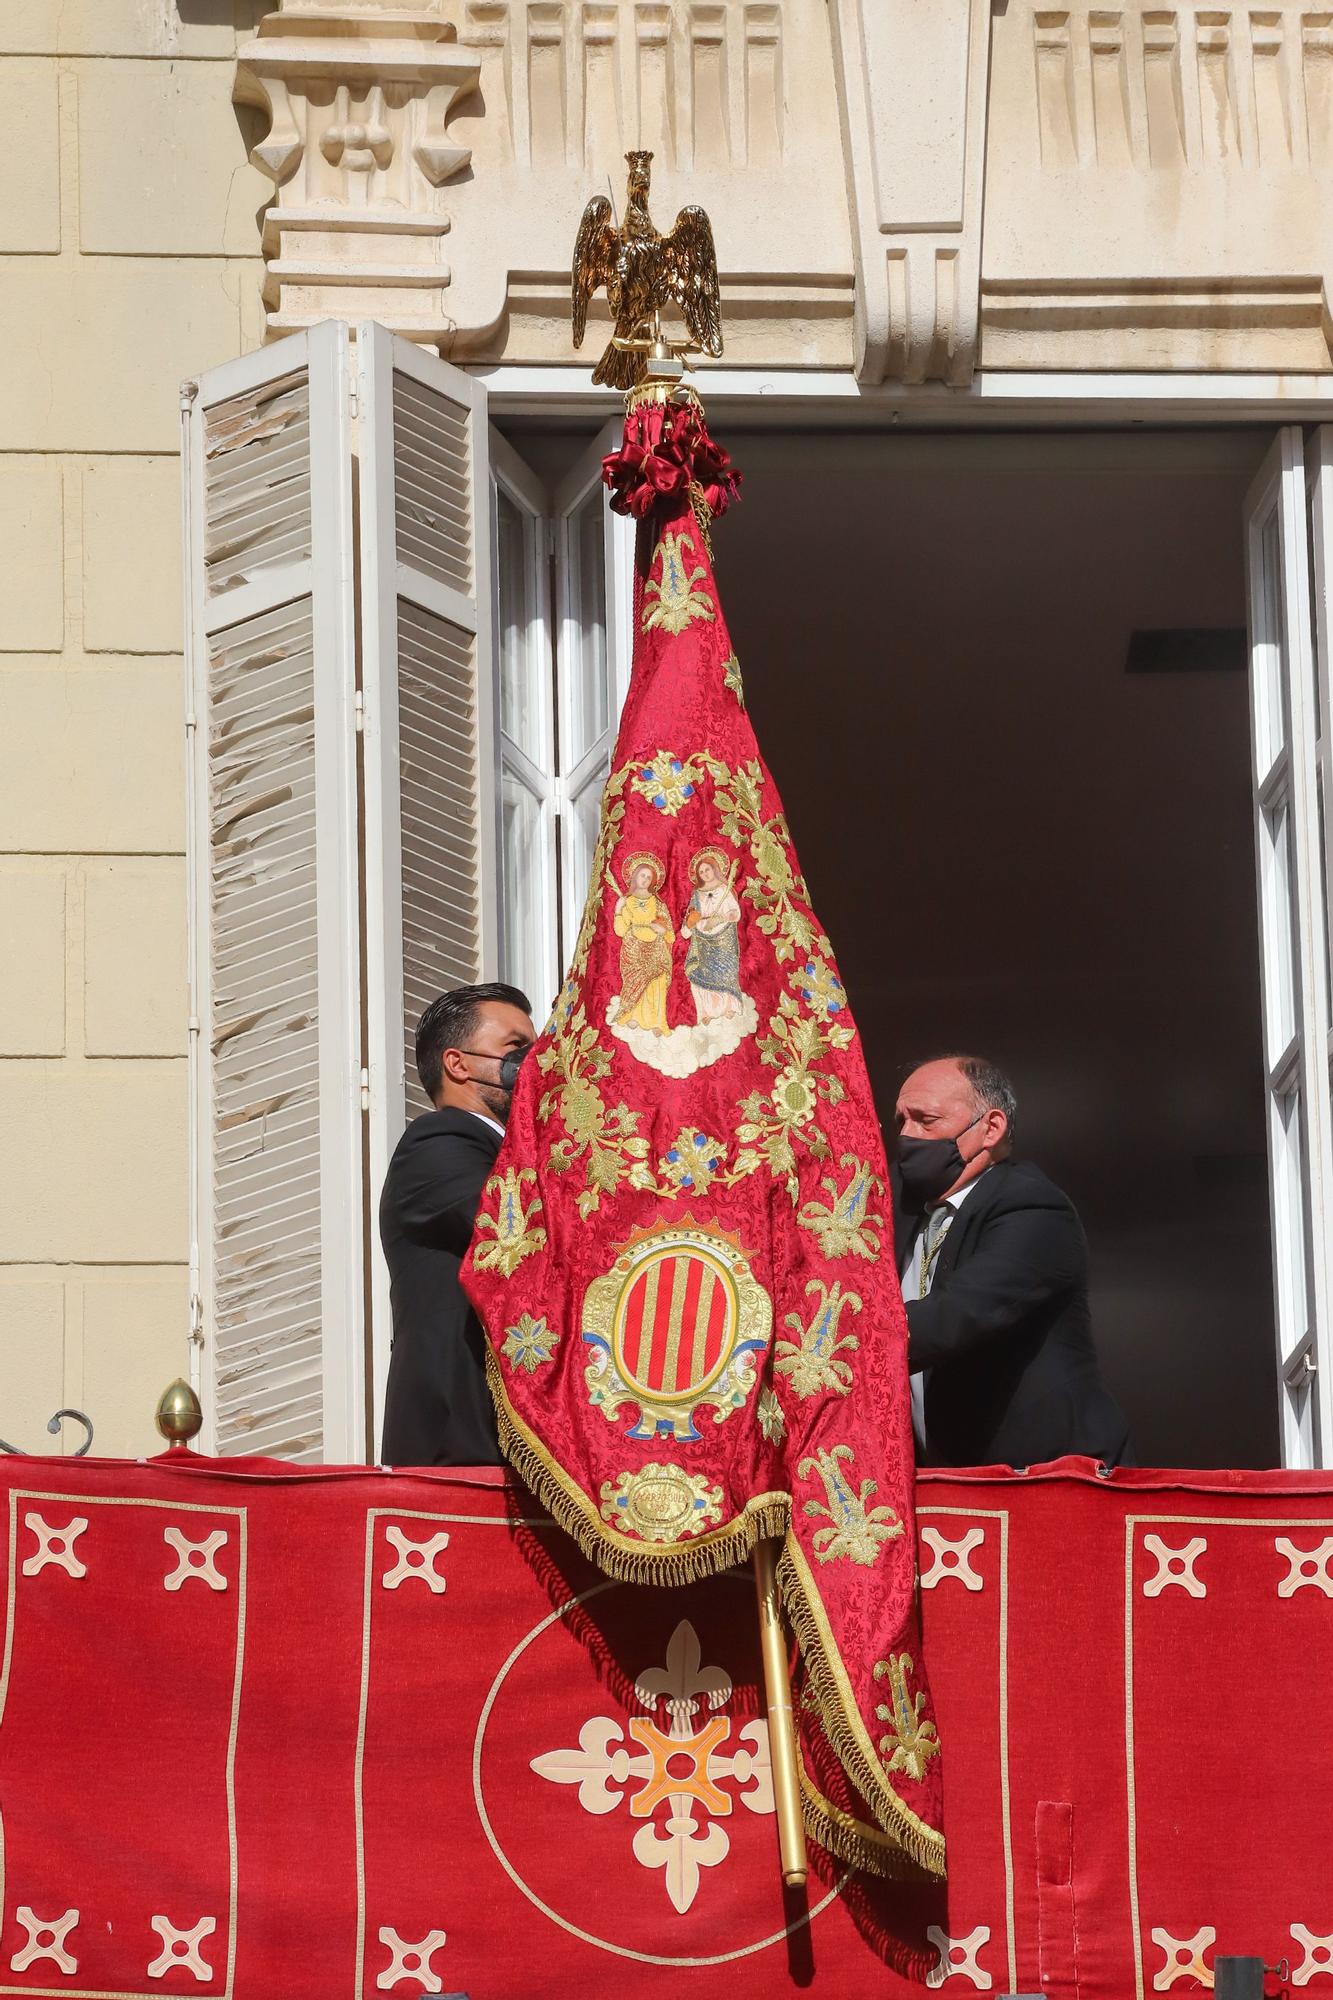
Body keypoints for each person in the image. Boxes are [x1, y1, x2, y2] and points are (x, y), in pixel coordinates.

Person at [892, 1054, 1132, 1469]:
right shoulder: (897, 1212)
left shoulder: (1033, 1208)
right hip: (945, 1487)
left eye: (925, 1120)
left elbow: (958, 1314)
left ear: (991, 1128)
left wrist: (839, 1345)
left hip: (1051, 1478)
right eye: (900, 1122)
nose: (908, 1136)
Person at [380, 982, 535, 1467]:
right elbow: (517, 1228)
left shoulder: (517, 1153)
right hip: (461, 1445)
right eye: (516, 1048)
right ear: (458, 1064)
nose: (534, 1063)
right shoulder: (437, 1142)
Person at [612, 853, 674, 1035]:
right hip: (634, 948)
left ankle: (656, 1021)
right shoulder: (627, 902)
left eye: (649, 877)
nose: (645, 879)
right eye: (642, 875)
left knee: (657, 982)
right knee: (636, 981)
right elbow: (620, 930)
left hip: (656, 947)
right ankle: (634, 1016)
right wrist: (618, 909)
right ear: (634, 876)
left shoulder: (658, 903)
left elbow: (669, 932)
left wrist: (662, 930)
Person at [683, 846, 744, 1023]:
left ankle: (729, 1007)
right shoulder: (696, 894)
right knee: (701, 974)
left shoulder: (724, 890)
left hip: (723, 938)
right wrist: (690, 923)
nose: (705, 874)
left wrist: (719, 919)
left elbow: (735, 913)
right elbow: (690, 918)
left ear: (714, 869)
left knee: (725, 972)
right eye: (701, 872)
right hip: (702, 940)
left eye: (707, 869)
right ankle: (706, 1012)